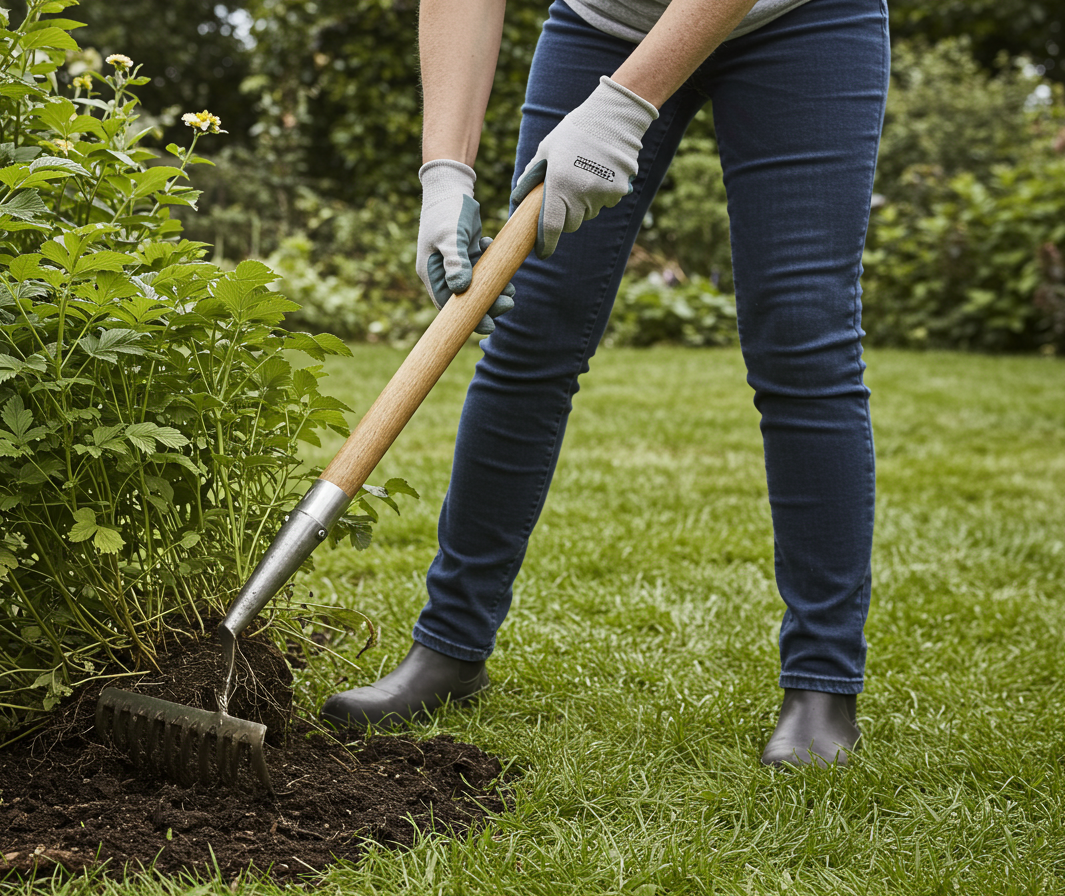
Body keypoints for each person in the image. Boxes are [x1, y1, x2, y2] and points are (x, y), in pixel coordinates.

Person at [321, 0, 887, 767]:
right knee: (529, 326)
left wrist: (624, 105)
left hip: (801, 20)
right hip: (608, 19)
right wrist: (444, 173)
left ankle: (822, 683)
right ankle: (448, 647)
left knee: (802, 335)